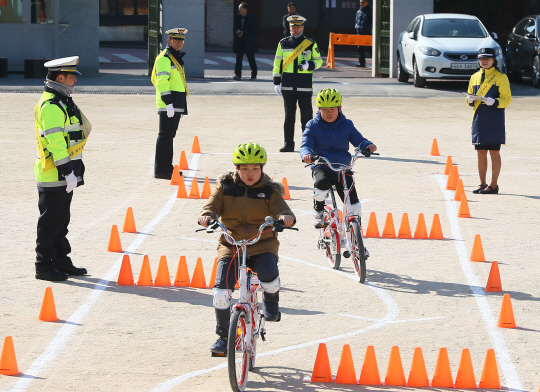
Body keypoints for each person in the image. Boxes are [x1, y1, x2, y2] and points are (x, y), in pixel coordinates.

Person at [198, 143, 295, 355]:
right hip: (231, 245)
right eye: (244, 169)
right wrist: (207, 216)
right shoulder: (225, 187)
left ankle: (271, 303)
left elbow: (283, 210)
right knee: (221, 292)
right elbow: (211, 206)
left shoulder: (270, 190)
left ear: (262, 169)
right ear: (236, 169)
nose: (250, 174)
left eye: (255, 169)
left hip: (262, 242)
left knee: (269, 275)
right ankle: (224, 336)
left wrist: (285, 218)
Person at [34, 56, 89, 281]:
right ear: (60, 77)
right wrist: (67, 171)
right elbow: (56, 142)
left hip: (65, 171)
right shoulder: (51, 105)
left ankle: (60, 261)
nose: (75, 80)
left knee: (61, 220)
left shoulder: (62, 101)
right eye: (72, 76)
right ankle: (43, 266)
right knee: (50, 222)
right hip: (54, 172)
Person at [299, 88, 377, 227]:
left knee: (353, 200)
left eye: (332, 109)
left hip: (343, 167)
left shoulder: (347, 124)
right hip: (322, 165)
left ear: (339, 108)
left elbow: (358, 139)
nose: (329, 113)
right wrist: (306, 154)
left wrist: (367, 144)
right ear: (318, 109)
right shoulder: (312, 125)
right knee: (321, 183)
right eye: (324, 109)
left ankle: (356, 232)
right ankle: (318, 211)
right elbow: (305, 144)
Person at [273, 15, 323, 152]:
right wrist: (276, 82)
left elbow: (319, 61)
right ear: (289, 27)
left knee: (307, 117)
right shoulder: (283, 43)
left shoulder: (311, 43)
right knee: (289, 117)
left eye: (298, 26)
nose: (295, 29)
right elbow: (277, 63)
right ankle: (288, 143)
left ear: (303, 27)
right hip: (288, 86)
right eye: (293, 26)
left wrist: (310, 65)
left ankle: (308, 145)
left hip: (304, 86)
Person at [466, 48, 512, 194]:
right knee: (480, 152)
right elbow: (470, 98)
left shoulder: (501, 77)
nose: (484, 61)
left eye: (487, 58)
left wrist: (496, 101)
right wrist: (469, 100)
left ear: (493, 60)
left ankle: (493, 184)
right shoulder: (474, 77)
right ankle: (482, 183)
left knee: (494, 151)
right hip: (479, 119)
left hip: (494, 119)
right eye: (481, 59)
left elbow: (507, 99)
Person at [151, 28, 189, 180]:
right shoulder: (165, 58)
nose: (179, 42)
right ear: (169, 41)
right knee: (165, 136)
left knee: (169, 136)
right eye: (176, 39)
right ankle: (161, 170)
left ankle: (167, 166)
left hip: (176, 101)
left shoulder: (174, 57)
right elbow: (161, 82)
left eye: (181, 40)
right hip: (169, 102)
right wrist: (168, 103)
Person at [233, 2, 258, 81]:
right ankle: (238, 75)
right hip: (239, 42)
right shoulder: (237, 18)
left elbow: (253, 30)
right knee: (238, 59)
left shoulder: (252, 18)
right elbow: (234, 28)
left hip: (248, 42)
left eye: (240, 8)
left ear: (245, 9)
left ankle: (254, 75)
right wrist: (237, 31)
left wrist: (244, 33)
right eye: (239, 8)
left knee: (251, 59)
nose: (239, 10)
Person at [355, 0, 372, 68]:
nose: (362, 3)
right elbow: (356, 21)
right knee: (360, 48)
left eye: (363, 2)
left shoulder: (370, 11)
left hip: (366, 32)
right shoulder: (358, 12)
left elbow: (372, 22)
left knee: (369, 48)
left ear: (367, 2)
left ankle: (376, 62)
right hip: (359, 32)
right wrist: (356, 27)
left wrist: (367, 28)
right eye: (361, 2)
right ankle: (361, 63)